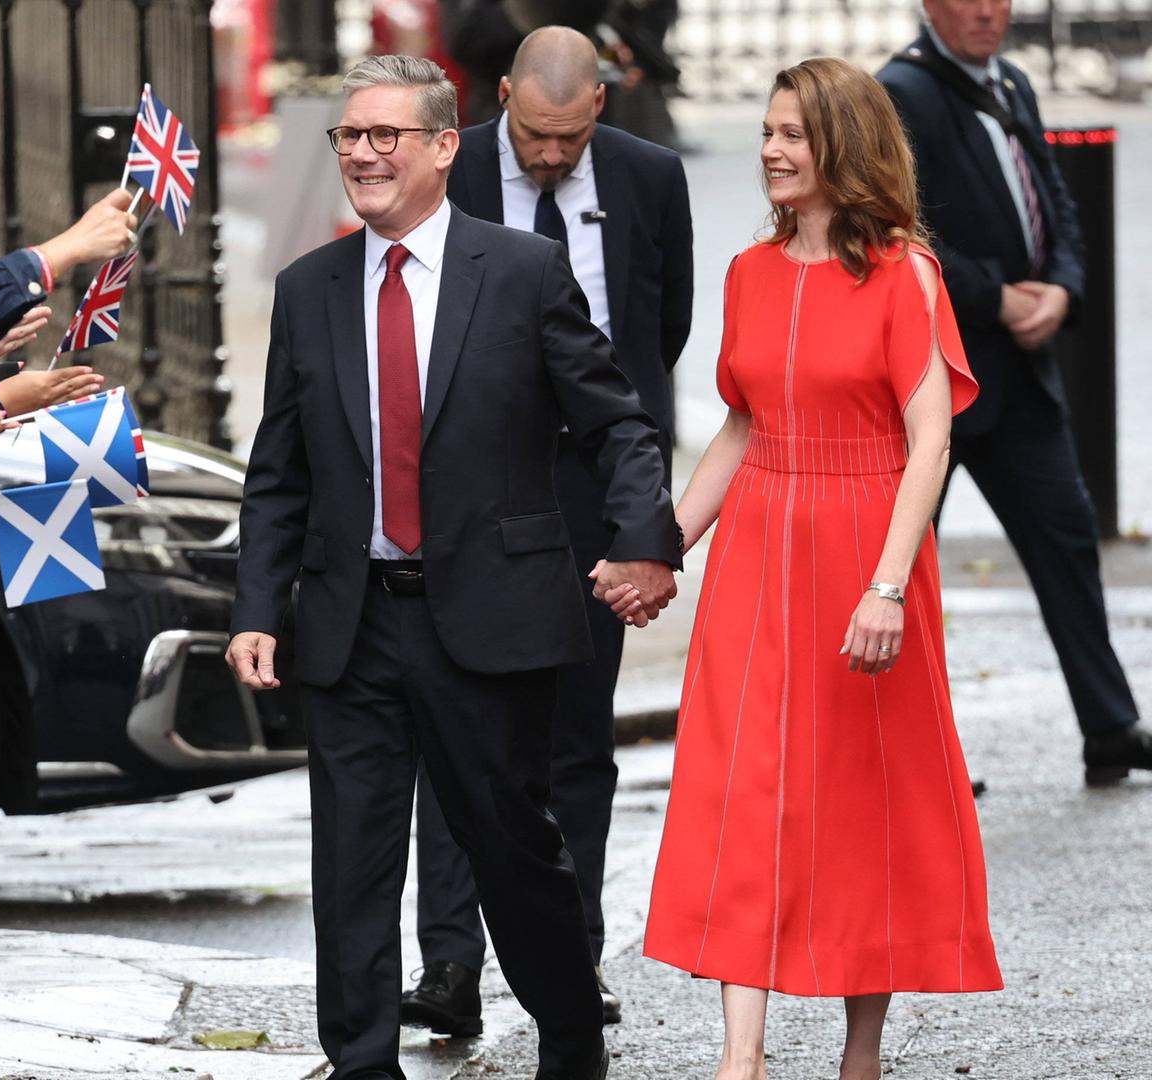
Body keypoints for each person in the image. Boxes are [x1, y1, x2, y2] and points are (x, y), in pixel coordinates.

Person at [227, 53, 680, 1080]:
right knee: (352, 863)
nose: (363, 154)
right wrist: (259, 606)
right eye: (350, 136)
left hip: (488, 617)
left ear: (443, 147)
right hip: (352, 625)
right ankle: (363, 1065)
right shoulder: (310, 290)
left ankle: (569, 1041)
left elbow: (617, 424)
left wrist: (644, 537)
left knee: (514, 851)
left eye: (387, 135)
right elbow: (278, 474)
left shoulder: (520, 272)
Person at [638, 57, 1001, 1080]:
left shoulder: (904, 273)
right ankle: (740, 1059)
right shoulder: (749, 273)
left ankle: (861, 1052)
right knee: (740, 791)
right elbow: (743, 427)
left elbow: (929, 440)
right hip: (759, 548)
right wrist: (660, 549)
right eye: (765, 132)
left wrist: (888, 584)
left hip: (864, 549)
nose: (770, 150)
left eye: (792, 133)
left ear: (845, 143)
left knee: (861, 801)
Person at [411, 24, 692, 1033]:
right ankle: (449, 967)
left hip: (591, 486)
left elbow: (662, 334)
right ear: (500, 101)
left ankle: (573, 958)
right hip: (470, 482)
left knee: (578, 732)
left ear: (600, 111)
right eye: (534, 136)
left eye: (568, 141)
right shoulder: (449, 173)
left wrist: (638, 505)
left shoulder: (649, 179)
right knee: (453, 726)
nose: (550, 157)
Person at [878, 0, 1151, 784]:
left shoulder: (1014, 83)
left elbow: (1057, 204)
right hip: (937, 379)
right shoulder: (902, 93)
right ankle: (909, 758)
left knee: (1068, 543)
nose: (988, 12)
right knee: (904, 567)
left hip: (1023, 379)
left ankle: (1109, 726)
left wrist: (1062, 288)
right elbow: (901, 231)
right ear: (931, 5)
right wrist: (996, 297)